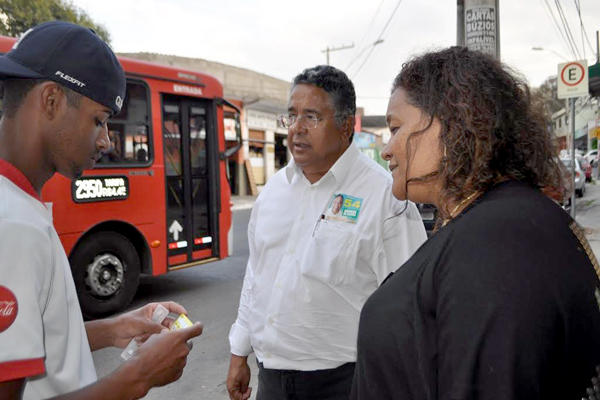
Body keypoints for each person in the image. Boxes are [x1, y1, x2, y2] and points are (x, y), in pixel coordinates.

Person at [351, 47, 600, 399]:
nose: (387, 149)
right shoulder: (508, 219)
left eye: (395, 128)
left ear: (454, 124)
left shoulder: (493, 243)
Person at [0, 21, 203, 400]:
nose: (107, 140)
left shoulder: (19, 205)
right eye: (99, 120)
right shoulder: (13, 224)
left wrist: (116, 329)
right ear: (50, 101)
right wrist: (139, 377)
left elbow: (36, 341)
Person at [227, 65, 426, 400]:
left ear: (346, 125)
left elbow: (413, 308)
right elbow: (256, 276)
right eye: (291, 116)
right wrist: (239, 350)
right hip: (270, 382)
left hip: (345, 385)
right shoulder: (273, 192)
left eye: (312, 117)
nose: (297, 129)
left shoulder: (385, 198)